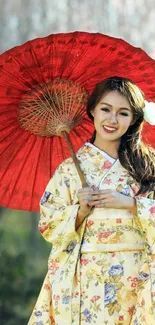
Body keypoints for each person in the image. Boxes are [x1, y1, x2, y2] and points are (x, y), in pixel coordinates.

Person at [28, 76, 155, 325]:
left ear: (133, 120)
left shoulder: (148, 165)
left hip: (136, 272)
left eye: (123, 113)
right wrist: (79, 211)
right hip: (87, 276)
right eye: (105, 109)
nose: (112, 120)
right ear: (92, 110)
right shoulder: (69, 170)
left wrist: (130, 203)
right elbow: (48, 224)